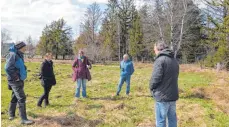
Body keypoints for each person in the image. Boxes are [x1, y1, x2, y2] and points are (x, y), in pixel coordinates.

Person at [149, 41, 179, 127]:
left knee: (161, 120)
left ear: (159, 49)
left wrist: (151, 87)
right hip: (172, 95)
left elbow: (156, 78)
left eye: (154, 50)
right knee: (172, 118)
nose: (154, 51)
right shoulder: (174, 60)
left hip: (162, 96)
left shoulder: (160, 60)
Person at [4, 41, 34, 125]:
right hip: (15, 81)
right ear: (20, 47)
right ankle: (23, 119)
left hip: (19, 80)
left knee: (15, 97)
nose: (25, 48)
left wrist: (24, 68)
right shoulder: (13, 55)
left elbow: (17, 65)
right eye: (24, 47)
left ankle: (11, 115)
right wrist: (16, 77)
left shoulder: (19, 54)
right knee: (22, 97)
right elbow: (7, 68)